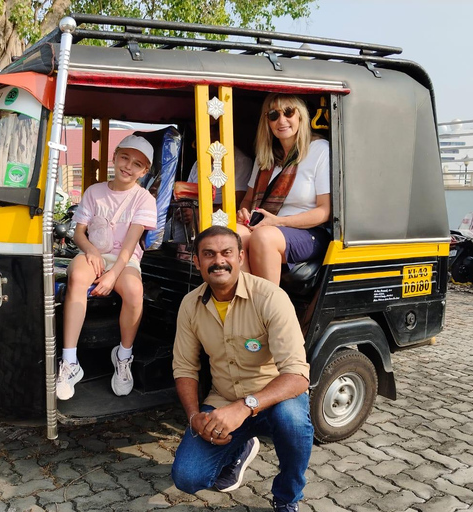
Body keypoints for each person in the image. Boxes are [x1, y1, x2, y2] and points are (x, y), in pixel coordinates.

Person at [171, 226, 313, 512]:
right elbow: (185, 368)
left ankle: (287, 498)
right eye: (208, 254)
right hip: (223, 400)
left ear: (240, 257)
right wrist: (194, 416)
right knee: (187, 478)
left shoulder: (270, 297)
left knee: (295, 423)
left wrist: (245, 407)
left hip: (275, 398)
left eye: (226, 253)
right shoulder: (190, 305)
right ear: (197, 261)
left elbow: (298, 377)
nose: (218, 261)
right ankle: (241, 445)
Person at [56, 135, 158, 400]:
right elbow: (79, 233)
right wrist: (90, 250)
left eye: (137, 164)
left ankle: (123, 355)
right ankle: (70, 361)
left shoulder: (144, 198)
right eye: (124, 157)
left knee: (134, 290)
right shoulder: (94, 192)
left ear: (144, 171)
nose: (128, 166)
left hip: (124, 260)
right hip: (94, 253)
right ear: (114, 156)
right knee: (78, 276)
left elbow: (130, 245)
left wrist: (113, 275)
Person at [236, 93, 331, 285]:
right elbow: (248, 199)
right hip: (265, 225)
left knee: (263, 237)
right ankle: (247, 302)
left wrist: (279, 222)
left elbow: (325, 211)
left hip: (309, 232)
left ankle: (270, 308)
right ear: (267, 121)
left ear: (300, 116)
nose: (282, 120)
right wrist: (243, 212)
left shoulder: (319, 150)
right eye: (274, 115)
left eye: (288, 112)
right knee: (231, 235)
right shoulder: (265, 156)